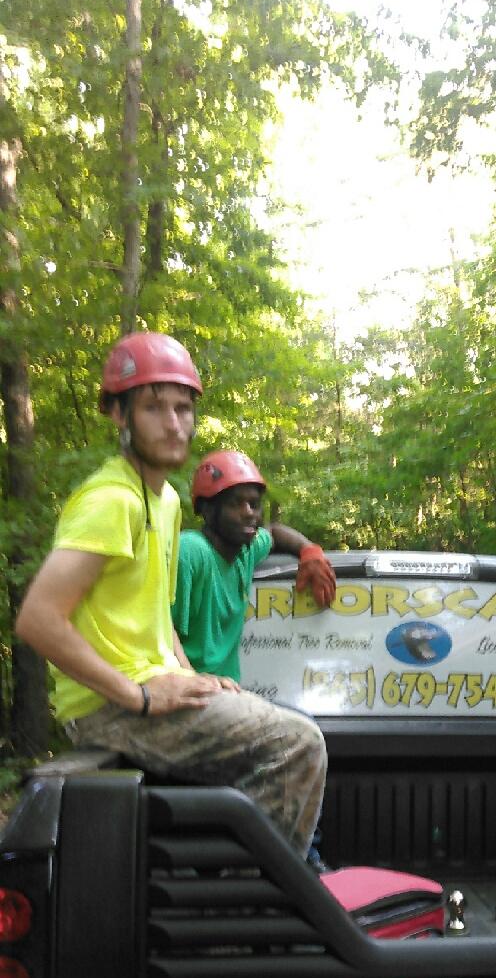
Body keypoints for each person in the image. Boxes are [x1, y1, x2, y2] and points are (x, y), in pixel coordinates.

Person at [15, 331, 328, 860]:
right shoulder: (112, 501)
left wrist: (188, 675)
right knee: (298, 744)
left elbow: (153, 619)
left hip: (147, 688)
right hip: (109, 706)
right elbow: (38, 620)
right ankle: (248, 907)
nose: (173, 422)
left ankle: (219, 884)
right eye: (154, 407)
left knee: (272, 722)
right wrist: (137, 696)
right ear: (119, 414)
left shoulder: (161, 501)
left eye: (183, 407)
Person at [173, 449, 336, 682]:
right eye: (236, 504)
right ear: (208, 510)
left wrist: (310, 551)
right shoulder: (191, 552)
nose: (249, 513)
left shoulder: (244, 551)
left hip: (226, 693)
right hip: (184, 692)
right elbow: (156, 629)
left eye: (254, 504)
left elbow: (274, 532)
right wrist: (191, 681)